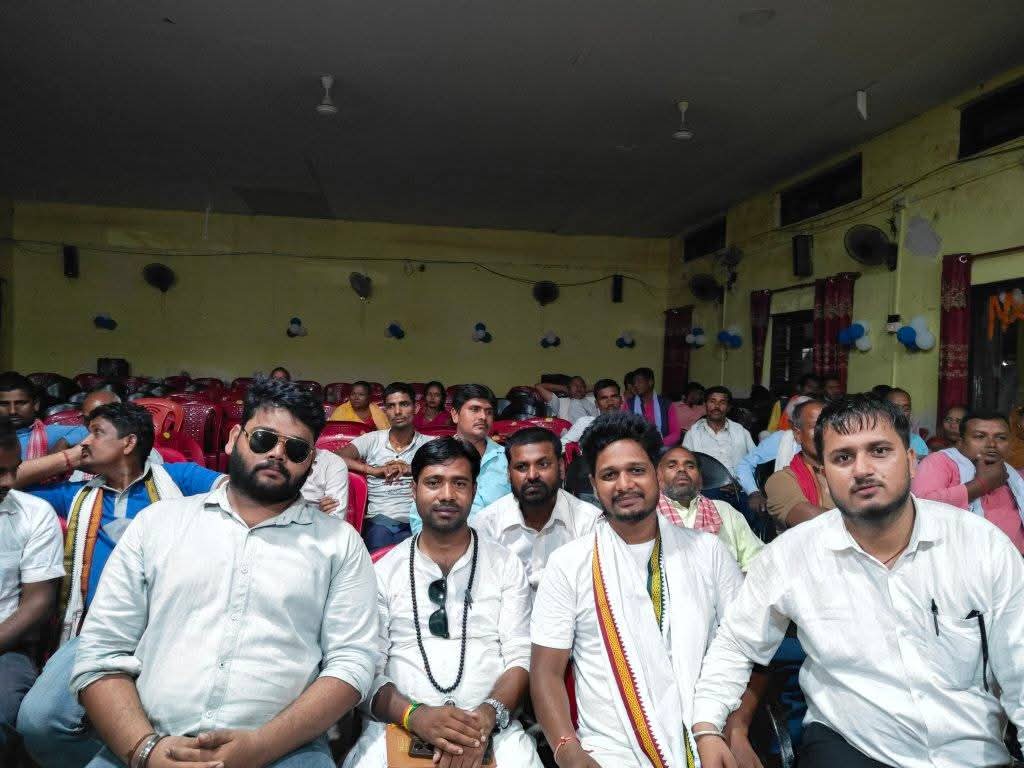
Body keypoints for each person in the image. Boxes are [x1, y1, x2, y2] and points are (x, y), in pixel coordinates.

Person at [692, 395, 1024, 768]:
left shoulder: (980, 545)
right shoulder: (793, 554)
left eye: (879, 451)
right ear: (825, 471)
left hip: (968, 750)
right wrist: (707, 727)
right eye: (843, 458)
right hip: (852, 745)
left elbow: (1019, 662)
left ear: (911, 461)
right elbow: (736, 645)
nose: (862, 470)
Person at [68, 376, 379, 768]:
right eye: (263, 439)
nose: (277, 454)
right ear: (234, 438)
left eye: (296, 449)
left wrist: (259, 747)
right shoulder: (158, 524)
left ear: (311, 462)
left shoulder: (339, 543)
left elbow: (353, 662)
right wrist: (145, 750)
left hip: (284, 749)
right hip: (153, 738)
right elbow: (102, 651)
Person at [15, 402, 225, 768]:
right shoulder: (76, 495)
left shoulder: (180, 479)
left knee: (178, 718)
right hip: (96, 630)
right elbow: (7, 482)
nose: (86, 441)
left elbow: (244, 494)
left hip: (170, 627)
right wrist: (68, 458)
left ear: (129, 443)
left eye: (97, 433)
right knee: (39, 723)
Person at [531, 412, 743, 768]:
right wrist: (567, 750)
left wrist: (735, 730)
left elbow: (741, 647)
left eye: (636, 470)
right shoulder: (569, 563)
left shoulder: (708, 551)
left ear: (657, 475)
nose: (624, 484)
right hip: (611, 749)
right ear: (594, 485)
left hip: (706, 734)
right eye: (609, 475)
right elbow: (545, 672)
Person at [342, 438, 541, 768]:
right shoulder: (383, 572)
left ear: (474, 490)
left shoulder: (505, 564)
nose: (447, 494)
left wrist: (486, 716)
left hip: (492, 730)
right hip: (396, 726)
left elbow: (520, 657)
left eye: (459, 483)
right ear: (414, 490)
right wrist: (415, 715)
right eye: (433, 482)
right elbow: (366, 667)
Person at [0, 418, 64, 751]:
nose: (10, 482)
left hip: (6, 645)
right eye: (0, 472)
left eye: (15, 469)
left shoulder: (34, 514)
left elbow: (38, 601)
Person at [474, 427, 601, 590]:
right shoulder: (487, 524)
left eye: (543, 464)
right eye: (521, 467)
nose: (532, 475)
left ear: (561, 468)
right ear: (508, 474)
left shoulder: (589, 522)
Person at [912, 410, 1024, 554]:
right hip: (957, 558)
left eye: (1001, 438)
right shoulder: (941, 462)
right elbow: (920, 506)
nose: (992, 444)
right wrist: (981, 485)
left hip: (1013, 560)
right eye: (980, 436)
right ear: (961, 440)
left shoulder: (1012, 474)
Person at [339, 383, 434, 550]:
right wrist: (373, 470)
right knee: (380, 551)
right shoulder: (372, 439)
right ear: (385, 411)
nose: (397, 411)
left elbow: (451, 466)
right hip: (378, 520)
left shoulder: (428, 444)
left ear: (416, 408)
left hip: (417, 520)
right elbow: (335, 457)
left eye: (404, 404)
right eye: (391, 406)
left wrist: (411, 469)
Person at [410, 385, 510, 535]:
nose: (483, 417)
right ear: (455, 414)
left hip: (499, 544)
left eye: (489, 412)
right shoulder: (434, 456)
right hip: (444, 542)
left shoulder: (508, 459)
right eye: (475, 409)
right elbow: (418, 514)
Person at [657, 446, 763, 571]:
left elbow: (757, 559)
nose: (682, 469)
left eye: (690, 466)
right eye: (671, 466)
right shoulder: (649, 518)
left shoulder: (724, 510)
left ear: (700, 480)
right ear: (659, 477)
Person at [738, 395, 812, 517]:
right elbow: (745, 464)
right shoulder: (781, 439)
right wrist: (753, 492)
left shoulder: (829, 440)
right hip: (786, 502)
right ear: (792, 424)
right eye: (806, 423)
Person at [764, 399, 833, 529]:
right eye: (816, 427)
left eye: (830, 426)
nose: (824, 433)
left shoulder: (848, 471)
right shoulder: (781, 480)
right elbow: (815, 524)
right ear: (797, 434)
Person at [0, 372, 87, 458]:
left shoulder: (49, 434)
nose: (12, 411)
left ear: (36, 405)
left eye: (21, 403)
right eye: (4, 404)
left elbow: (89, 431)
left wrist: (65, 442)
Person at [623, 367, 682, 446]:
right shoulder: (629, 404)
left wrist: (658, 444)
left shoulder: (666, 404)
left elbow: (676, 434)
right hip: (636, 448)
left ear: (650, 382)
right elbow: (624, 431)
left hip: (662, 448)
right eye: (634, 382)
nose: (635, 385)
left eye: (639, 381)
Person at [559, 379, 623, 446]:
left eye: (614, 396)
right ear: (596, 404)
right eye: (604, 398)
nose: (610, 402)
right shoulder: (586, 423)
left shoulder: (628, 424)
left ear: (621, 400)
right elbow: (561, 447)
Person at [301, 448, 350, 518]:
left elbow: (335, 517)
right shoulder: (285, 462)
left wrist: (320, 516)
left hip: (316, 523)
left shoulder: (333, 463)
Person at [884, 388, 930, 458]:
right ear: (884, 410)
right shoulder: (875, 437)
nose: (901, 413)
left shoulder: (917, 441)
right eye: (895, 408)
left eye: (906, 409)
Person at [535, 376, 599, 423]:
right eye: (575, 385)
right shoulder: (560, 401)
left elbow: (602, 387)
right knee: (575, 402)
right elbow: (539, 386)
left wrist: (584, 391)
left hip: (596, 431)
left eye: (582, 386)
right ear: (568, 388)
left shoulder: (592, 399)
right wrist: (563, 388)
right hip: (573, 434)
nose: (579, 388)